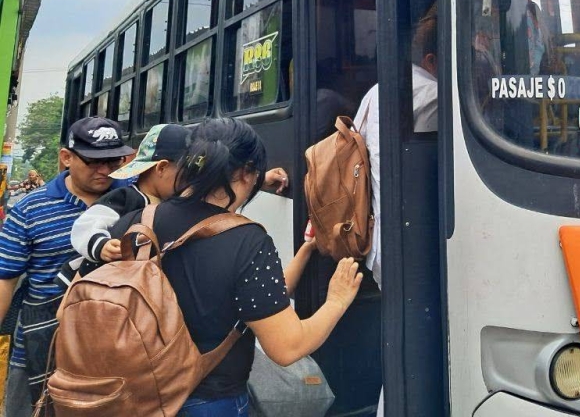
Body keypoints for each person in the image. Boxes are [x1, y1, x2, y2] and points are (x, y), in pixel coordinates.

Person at [109, 118, 361, 416]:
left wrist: (306, 250)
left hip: (131, 397)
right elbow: (286, 347)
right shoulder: (247, 241)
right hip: (209, 402)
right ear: (246, 173)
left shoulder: (135, 222)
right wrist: (337, 300)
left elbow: (262, 299)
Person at [0, 117, 134, 414]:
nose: (105, 170)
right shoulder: (30, 210)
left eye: (113, 161)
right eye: (94, 161)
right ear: (66, 157)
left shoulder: (136, 198)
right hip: (40, 342)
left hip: (114, 347)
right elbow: (5, 279)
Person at [354, 5, 438, 416]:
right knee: (417, 345)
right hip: (412, 243)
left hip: (380, 239)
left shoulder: (377, 90)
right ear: (432, 61)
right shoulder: (433, 95)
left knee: (402, 336)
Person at [55, 123, 188, 290]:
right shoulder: (125, 197)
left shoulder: (170, 202)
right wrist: (101, 245)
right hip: (97, 283)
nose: (188, 183)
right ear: (161, 167)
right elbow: (86, 224)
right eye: (185, 175)